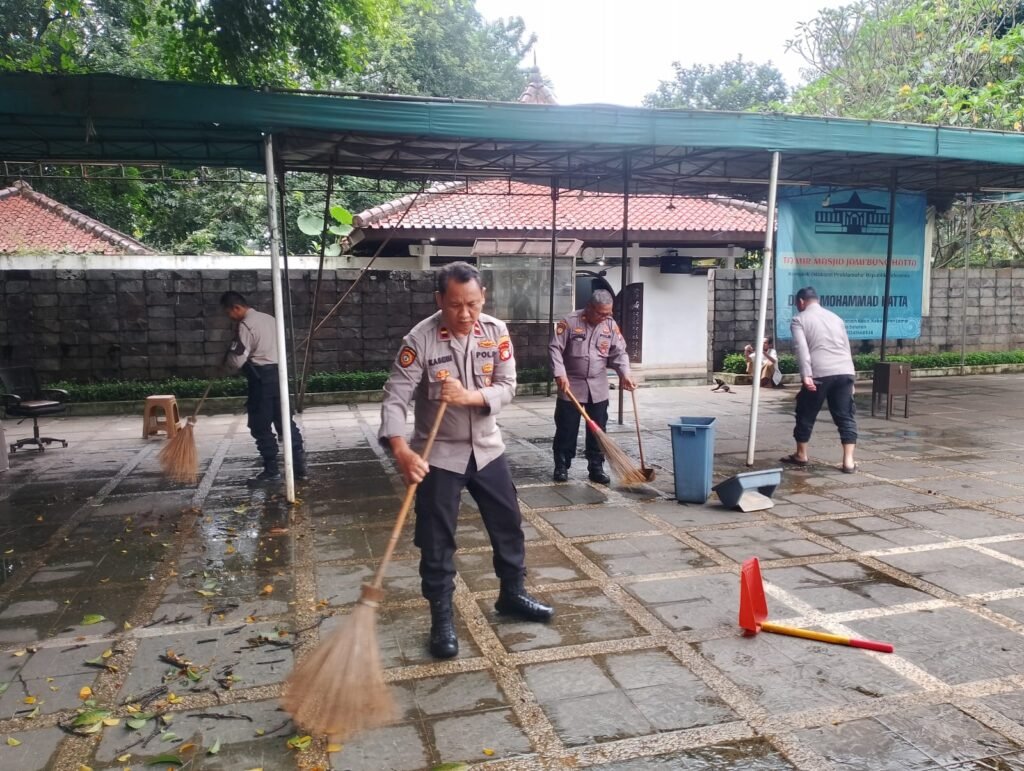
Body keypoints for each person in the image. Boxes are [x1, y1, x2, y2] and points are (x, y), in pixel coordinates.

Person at [379, 261, 553, 660]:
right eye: (455, 304)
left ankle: (512, 593)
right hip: (439, 454)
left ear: (483, 297)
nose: (464, 314)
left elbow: (508, 386)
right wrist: (401, 450)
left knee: (508, 524)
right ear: (439, 300)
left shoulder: (495, 331)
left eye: (472, 304)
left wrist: (469, 397)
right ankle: (441, 618)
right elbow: (395, 398)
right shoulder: (420, 339)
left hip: (488, 449)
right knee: (436, 539)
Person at [549, 289, 637, 484]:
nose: (605, 317)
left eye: (608, 313)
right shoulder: (569, 322)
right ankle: (562, 465)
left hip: (598, 386)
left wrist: (625, 373)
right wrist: (560, 373)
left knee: (598, 429)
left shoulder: (610, 325)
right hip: (571, 384)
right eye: (601, 313)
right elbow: (555, 349)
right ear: (589, 308)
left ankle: (596, 467)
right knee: (566, 428)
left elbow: (619, 352)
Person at [220, 291, 307, 486]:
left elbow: (238, 360)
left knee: (260, 425)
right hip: (280, 376)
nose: (229, 317)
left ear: (236, 308)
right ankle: (299, 467)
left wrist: (227, 361)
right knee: (285, 422)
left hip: (261, 380)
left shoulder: (245, 325)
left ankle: (271, 471)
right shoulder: (270, 319)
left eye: (228, 313)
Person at [782, 286, 858, 473]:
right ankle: (848, 461)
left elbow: (801, 348)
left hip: (819, 372)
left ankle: (801, 454)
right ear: (818, 300)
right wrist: (852, 377)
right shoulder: (836, 318)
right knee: (845, 415)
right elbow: (846, 347)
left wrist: (806, 375)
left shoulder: (799, 319)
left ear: (801, 302)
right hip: (845, 371)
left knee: (806, 412)